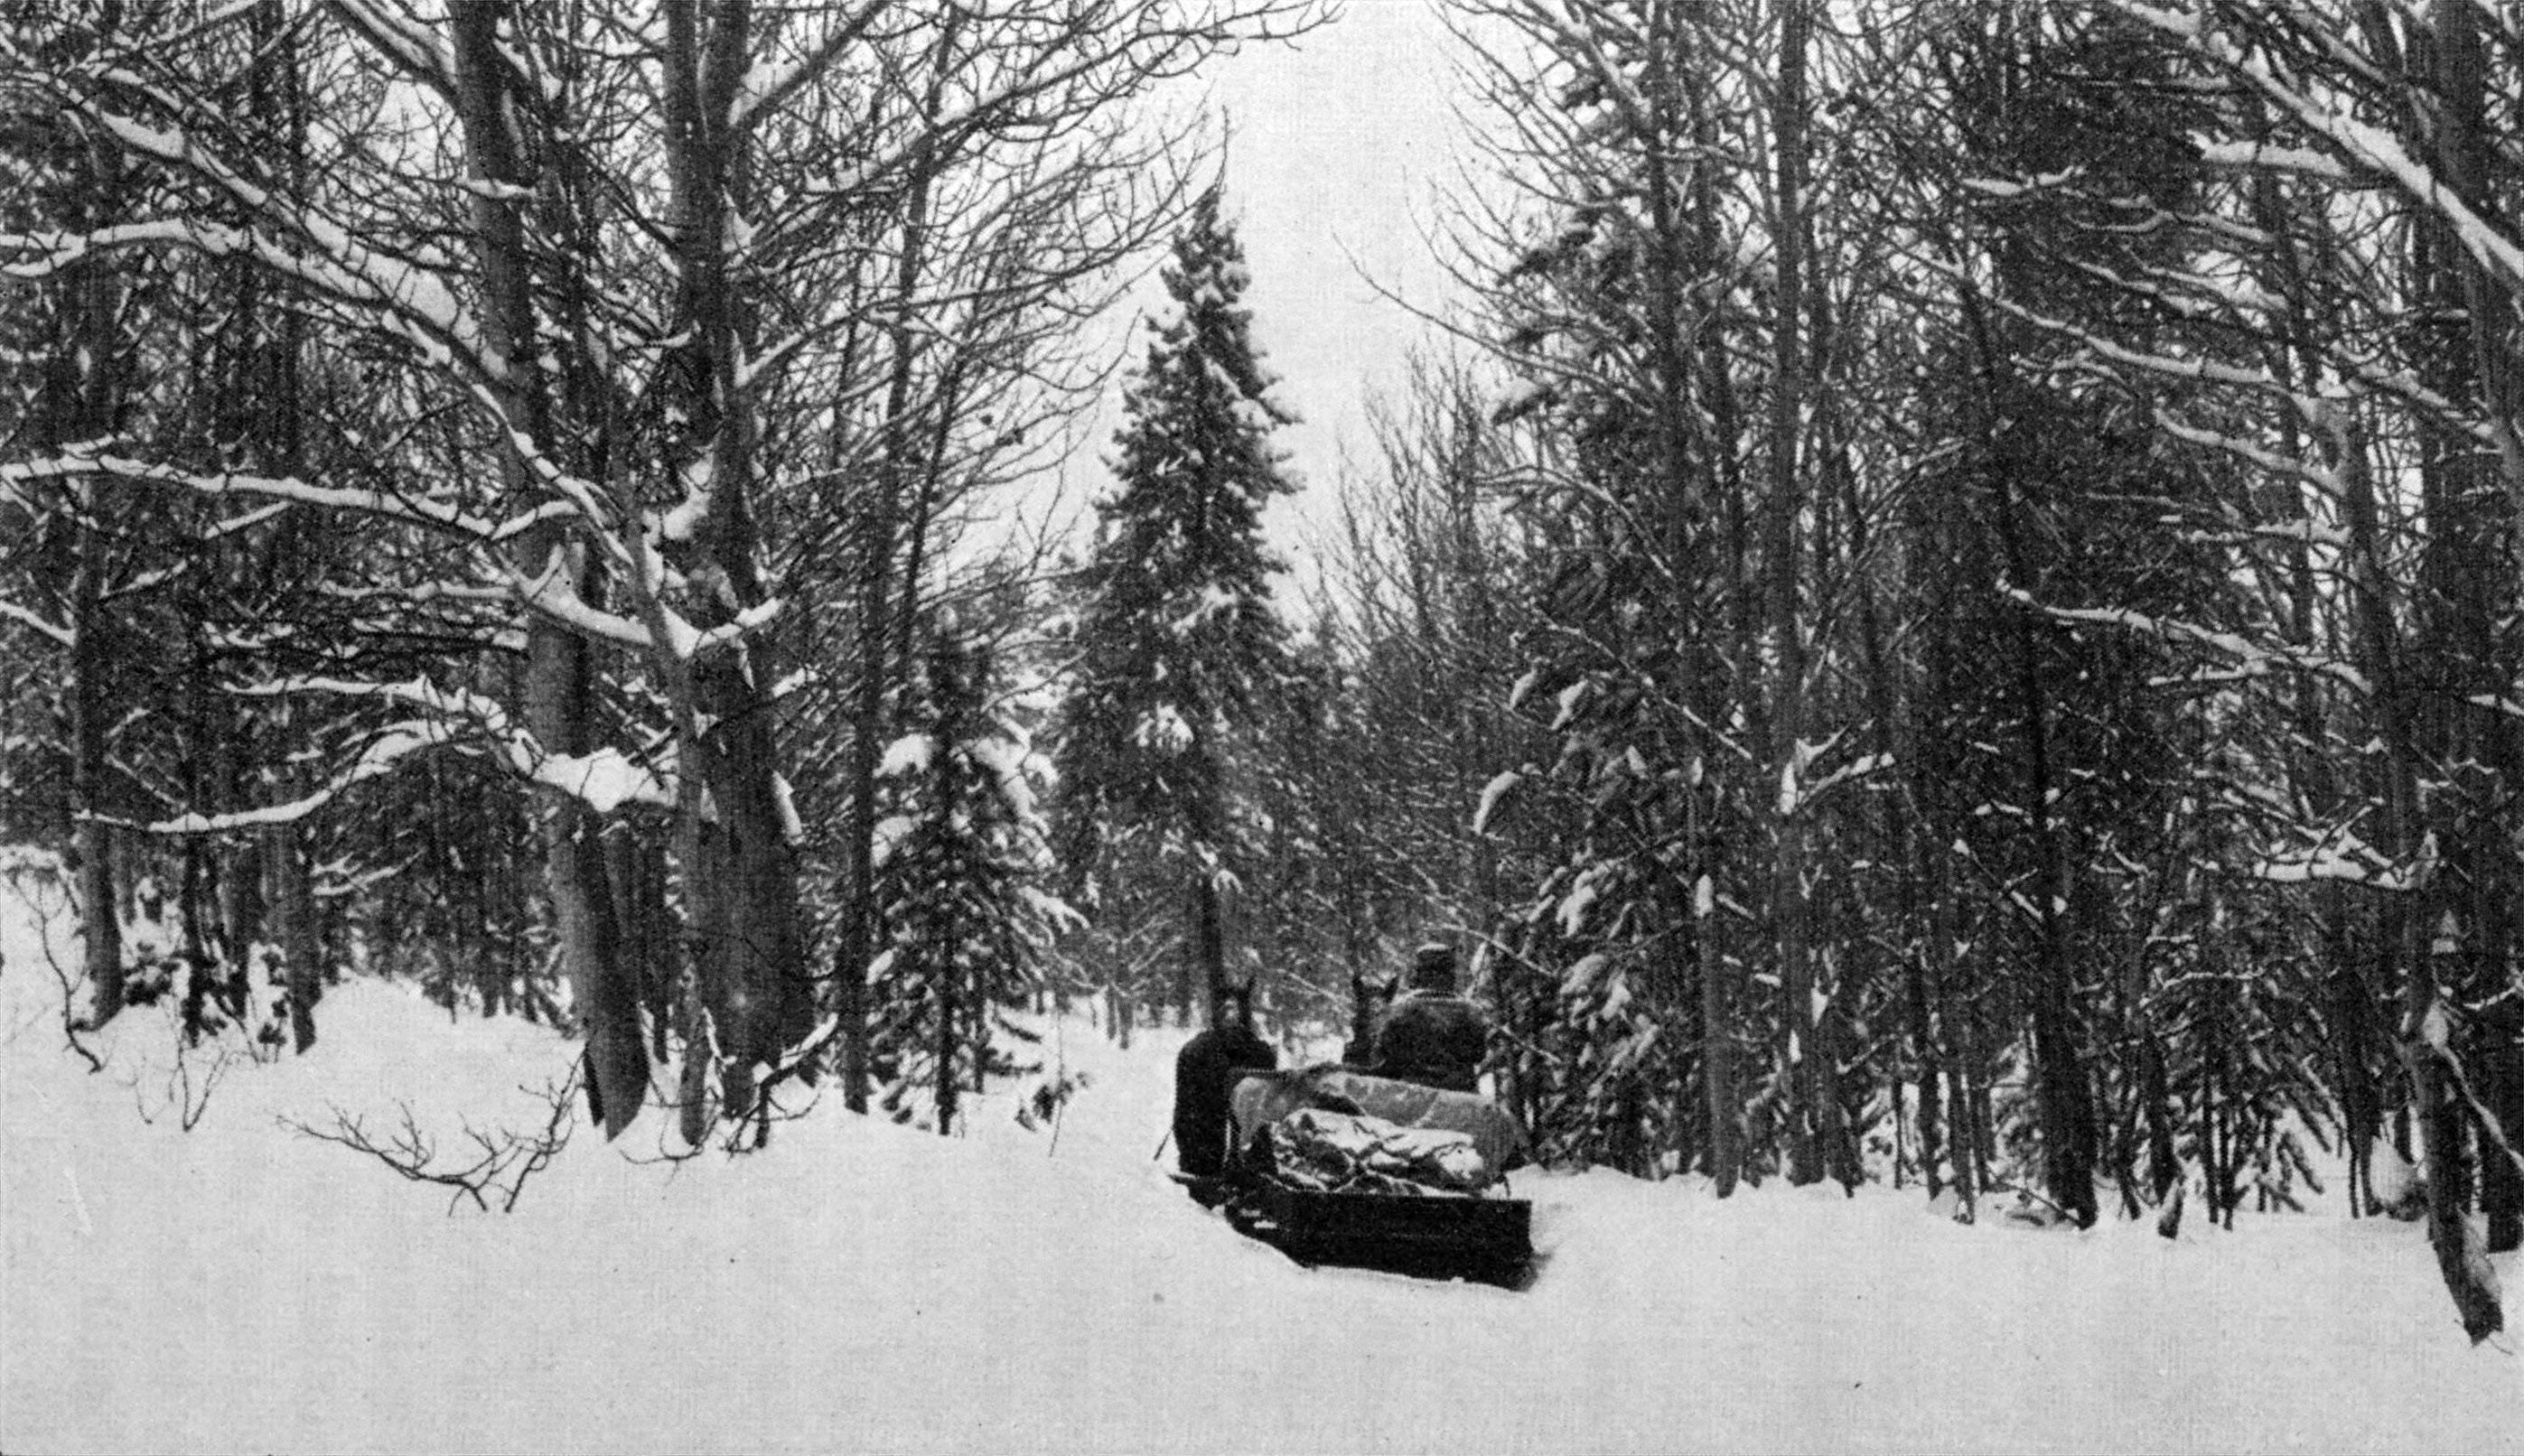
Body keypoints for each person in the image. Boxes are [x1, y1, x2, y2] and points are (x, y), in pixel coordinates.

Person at [1370, 942, 1491, 1094]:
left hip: (1412, 1094)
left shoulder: (1401, 1009)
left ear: (1420, 973)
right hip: (1459, 1094)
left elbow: (1385, 1052)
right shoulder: (1470, 1011)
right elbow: (1478, 1054)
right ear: (1450, 974)